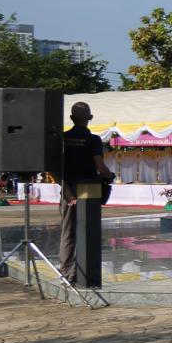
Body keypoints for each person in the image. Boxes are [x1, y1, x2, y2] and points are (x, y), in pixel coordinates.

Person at [58, 101, 111, 283]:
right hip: (89, 188)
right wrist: (110, 175)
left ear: (71, 118)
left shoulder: (62, 138)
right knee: (88, 230)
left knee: (68, 232)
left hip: (68, 188)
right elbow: (100, 167)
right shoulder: (93, 140)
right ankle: (86, 270)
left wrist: (66, 190)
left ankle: (67, 272)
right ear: (90, 117)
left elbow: (54, 168)